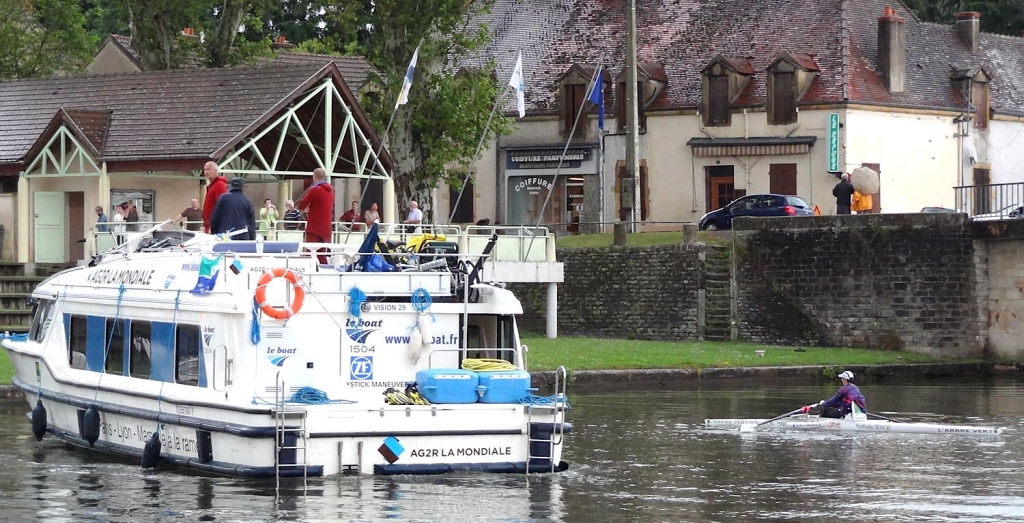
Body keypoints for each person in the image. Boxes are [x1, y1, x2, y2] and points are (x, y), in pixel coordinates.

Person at [296, 168, 335, 263]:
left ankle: (308, 274)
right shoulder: (331, 191)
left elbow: (302, 204)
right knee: (321, 254)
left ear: (314, 177)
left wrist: (307, 208)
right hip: (326, 228)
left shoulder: (315, 189)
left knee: (309, 252)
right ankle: (324, 270)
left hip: (314, 227)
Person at [201, 161, 228, 233]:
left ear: (216, 171)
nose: (206, 172)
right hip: (209, 225)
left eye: (208, 169)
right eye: (205, 170)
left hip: (214, 226)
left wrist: (213, 225)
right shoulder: (212, 186)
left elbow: (222, 207)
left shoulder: (219, 185)